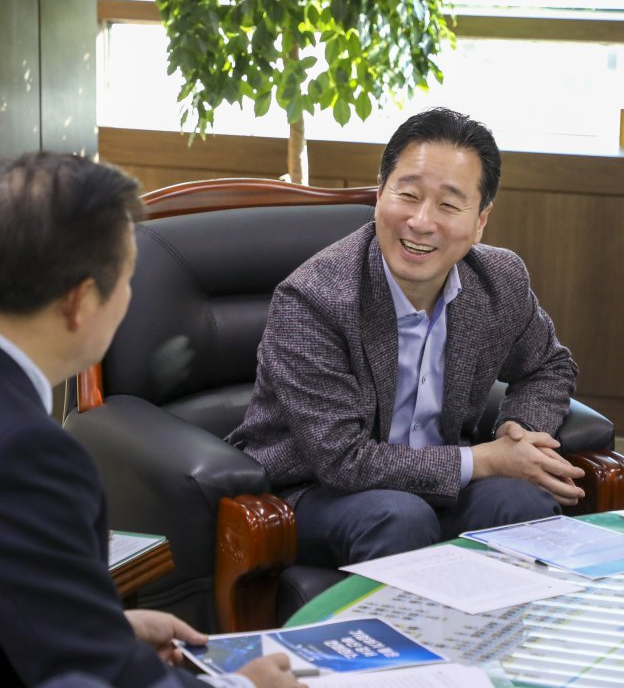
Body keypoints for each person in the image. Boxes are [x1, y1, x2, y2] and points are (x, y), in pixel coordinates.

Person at [228, 107, 584, 569]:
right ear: (380, 194)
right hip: (316, 492)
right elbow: (342, 460)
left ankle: (494, 641)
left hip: (440, 482)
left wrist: (517, 435)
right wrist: (486, 461)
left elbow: (548, 366)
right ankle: (396, 643)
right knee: (400, 516)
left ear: (480, 221)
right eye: (408, 195)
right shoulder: (315, 298)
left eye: (449, 205)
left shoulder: (498, 280)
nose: (421, 221)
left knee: (519, 504)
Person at [0, 152, 304, 688]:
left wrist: (102, 625)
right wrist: (240, 686)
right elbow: (80, 677)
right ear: (79, 303)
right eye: (126, 280)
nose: (131, 297)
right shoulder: (32, 457)